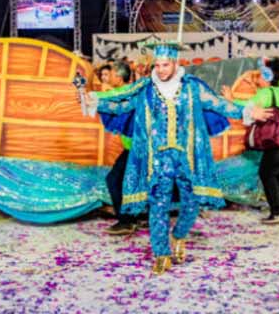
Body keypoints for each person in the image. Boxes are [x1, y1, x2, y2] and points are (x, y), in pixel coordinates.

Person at [84, 42, 249, 275]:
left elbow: (219, 104)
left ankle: (179, 235)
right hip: (158, 160)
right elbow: (122, 106)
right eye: (158, 65)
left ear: (175, 63)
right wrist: (95, 102)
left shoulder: (191, 88)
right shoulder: (146, 90)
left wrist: (247, 111)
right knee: (158, 205)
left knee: (191, 203)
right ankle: (161, 253)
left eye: (165, 65)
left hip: (186, 159)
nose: (161, 70)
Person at [222, 57, 279, 224]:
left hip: (277, 140)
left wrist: (230, 98)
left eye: (259, 75)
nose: (257, 78)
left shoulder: (265, 93)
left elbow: (247, 107)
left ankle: (277, 211)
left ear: (267, 76)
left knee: (266, 173)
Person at [102, 61, 139, 235]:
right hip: (134, 148)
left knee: (114, 180)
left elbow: (99, 98)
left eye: (109, 74)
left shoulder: (123, 92)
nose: (107, 78)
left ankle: (126, 221)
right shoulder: (127, 91)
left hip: (137, 149)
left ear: (118, 77)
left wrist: (89, 94)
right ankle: (132, 218)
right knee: (128, 182)